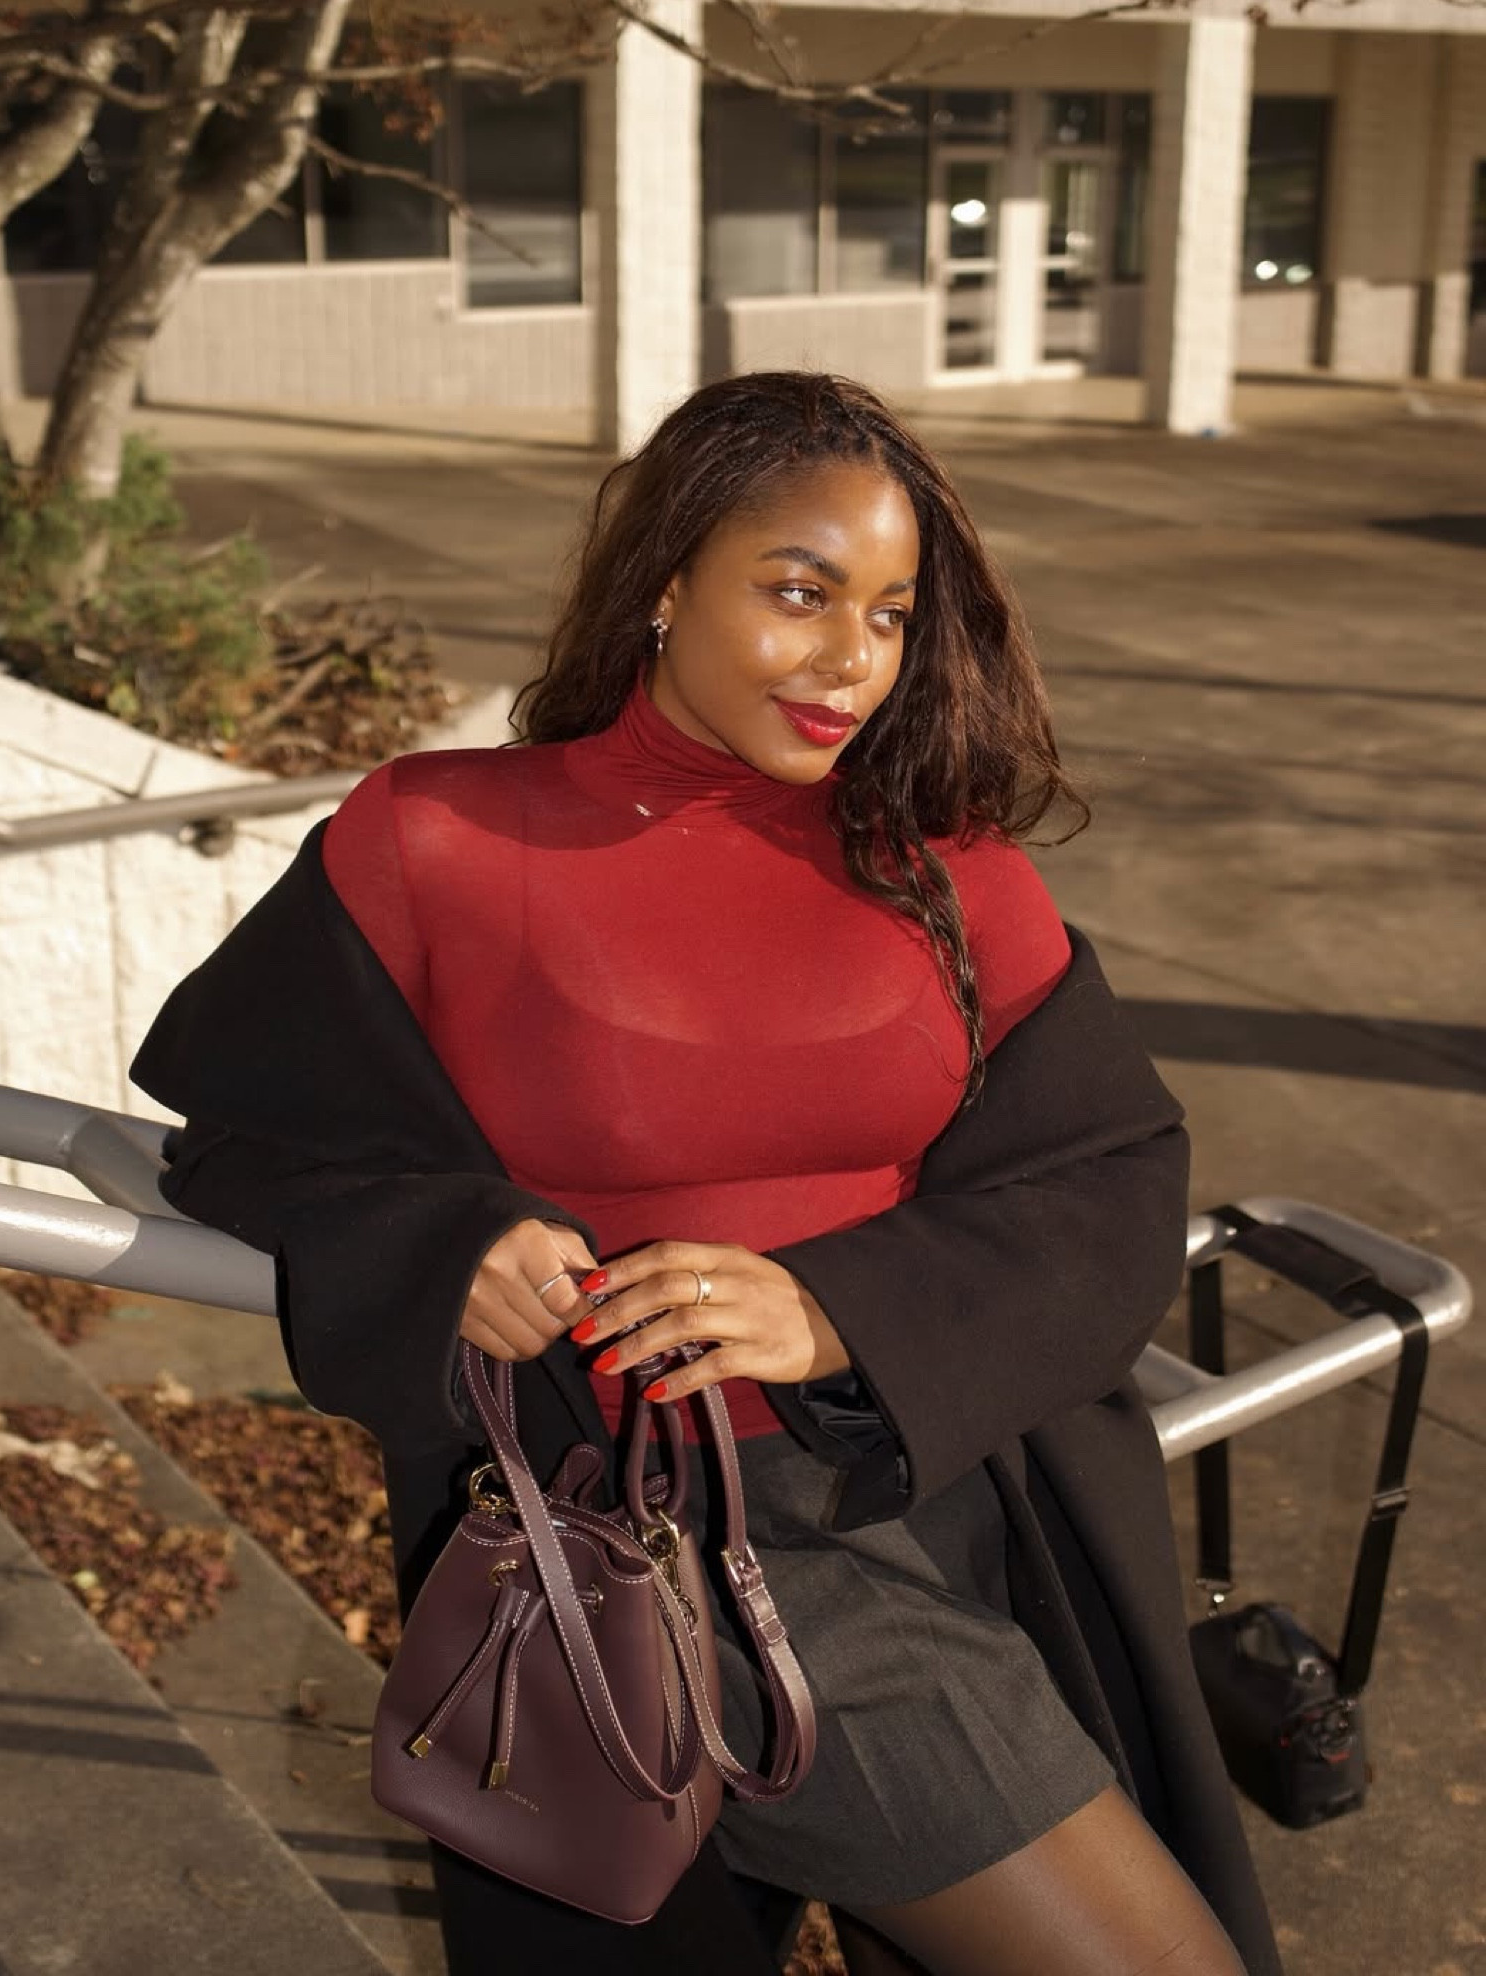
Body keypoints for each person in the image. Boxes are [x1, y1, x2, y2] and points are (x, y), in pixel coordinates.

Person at [133, 371, 1283, 1976]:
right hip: (693, 1559)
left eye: (887, 614)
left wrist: (834, 1310)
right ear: (668, 578)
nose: (849, 662)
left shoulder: (951, 869)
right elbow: (251, 1124)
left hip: (969, 1510)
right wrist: (439, 1238)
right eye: (799, 592)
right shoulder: (440, 839)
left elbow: (1109, 1175)